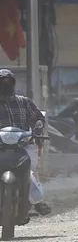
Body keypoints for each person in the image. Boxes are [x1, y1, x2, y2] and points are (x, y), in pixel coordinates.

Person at [0, 69, 48, 216]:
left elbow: (38, 119)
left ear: (13, 84)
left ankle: (37, 202)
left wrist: (37, 134)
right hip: (1, 147)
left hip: (24, 145)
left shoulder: (24, 102)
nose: (5, 85)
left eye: (8, 82)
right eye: (2, 82)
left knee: (30, 173)